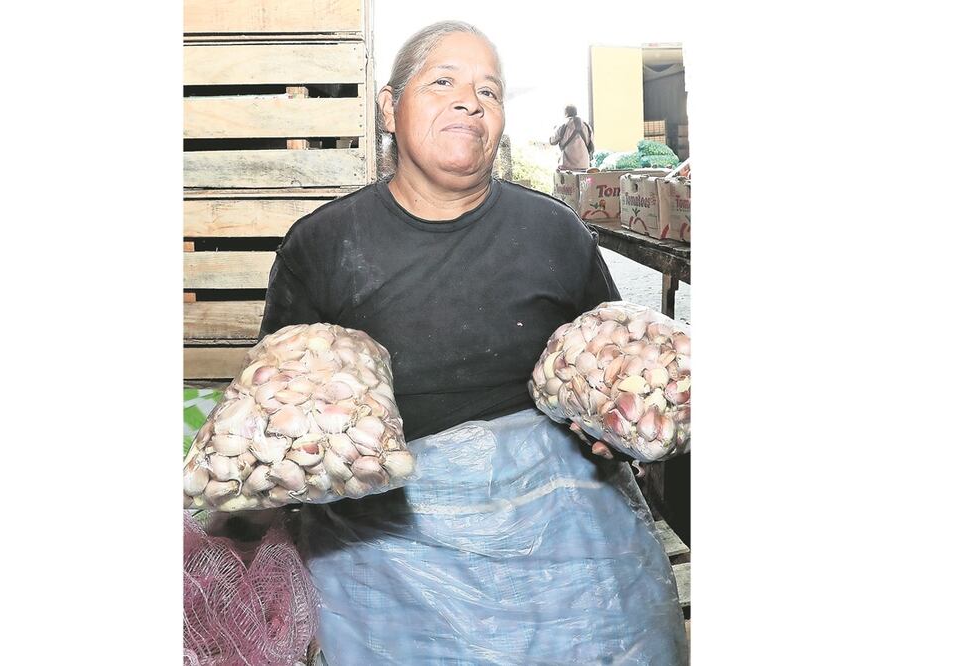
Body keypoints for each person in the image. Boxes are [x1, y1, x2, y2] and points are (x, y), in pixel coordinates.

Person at [258, 21, 687, 665]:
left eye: (489, 90)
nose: (470, 101)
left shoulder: (555, 232)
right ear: (388, 105)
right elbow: (280, 415)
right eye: (443, 82)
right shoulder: (321, 247)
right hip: (390, 557)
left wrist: (615, 424)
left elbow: (617, 364)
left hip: (562, 543)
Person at [550, 104, 594, 170]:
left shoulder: (563, 125)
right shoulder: (587, 126)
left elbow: (552, 141)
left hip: (567, 166)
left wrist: (553, 130)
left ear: (565, 113)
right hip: (584, 166)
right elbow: (591, 147)